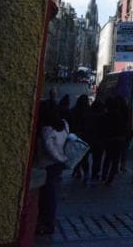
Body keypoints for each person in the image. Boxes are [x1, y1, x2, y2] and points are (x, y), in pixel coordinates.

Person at [34, 100, 69, 235]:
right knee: (50, 192)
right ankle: (48, 220)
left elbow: (50, 149)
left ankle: (47, 221)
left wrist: (60, 158)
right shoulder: (64, 124)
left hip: (48, 163)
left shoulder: (47, 129)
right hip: (59, 163)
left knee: (48, 194)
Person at [68, 94, 90, 180]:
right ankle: (86, 174)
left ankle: (77, 171)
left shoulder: (73, 110)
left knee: (76, 155)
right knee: (85, 156)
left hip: (75, 135)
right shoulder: (88, 111)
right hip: (85, 136)